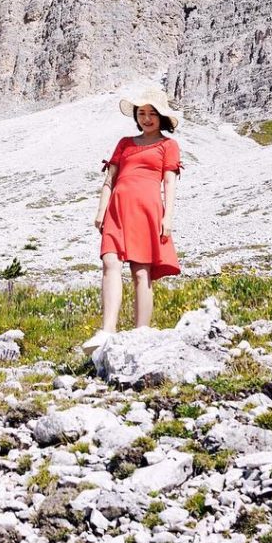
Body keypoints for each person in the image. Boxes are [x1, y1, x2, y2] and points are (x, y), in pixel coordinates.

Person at [83, 85, 182, 353]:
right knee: (109, 263)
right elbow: (109, 180)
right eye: (141, 113)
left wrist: (168, 217)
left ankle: (141, 332)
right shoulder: (125, 143)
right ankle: (107, 331)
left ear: (161, 116)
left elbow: (169, 183)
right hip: (117, 209)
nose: (146, 118)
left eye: (152, 113)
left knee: (141, 272)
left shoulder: (168, 145)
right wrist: (101, 210)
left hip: (147, 211)